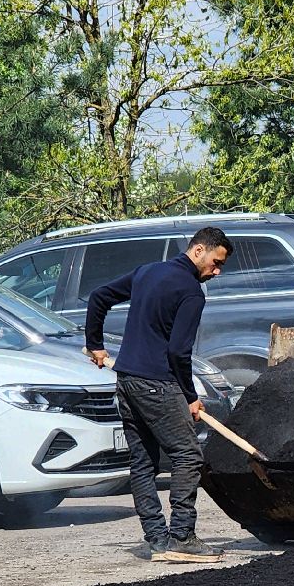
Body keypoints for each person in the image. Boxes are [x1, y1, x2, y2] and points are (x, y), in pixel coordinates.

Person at [84, 226, 230, 563]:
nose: (216, 271)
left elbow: (99, 297)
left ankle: (157, 540)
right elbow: (179, 351)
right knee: (188, 455)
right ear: (198, 251)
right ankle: (181, 536)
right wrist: (191, 396)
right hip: (156, 384)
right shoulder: (192, 291)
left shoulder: (148, 271)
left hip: (127, 381)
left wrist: (95, 344)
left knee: (143, 462)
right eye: (216, 262)